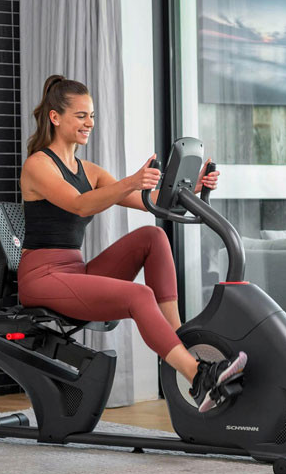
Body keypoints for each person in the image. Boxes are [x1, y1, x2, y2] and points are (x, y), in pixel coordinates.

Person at [18, 74, 247, 412]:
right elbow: (80, 204)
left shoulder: (88, 170)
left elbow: (149, 201)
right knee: (139, 295)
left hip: (75, 272)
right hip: (42, 277)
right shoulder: (38, 165)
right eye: (80, 115)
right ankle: (198, 378)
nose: (89, 123)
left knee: (152, 236)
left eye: (92, 115)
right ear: (55, 117)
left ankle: (179, 340)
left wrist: (194, 188)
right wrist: (131, 181)